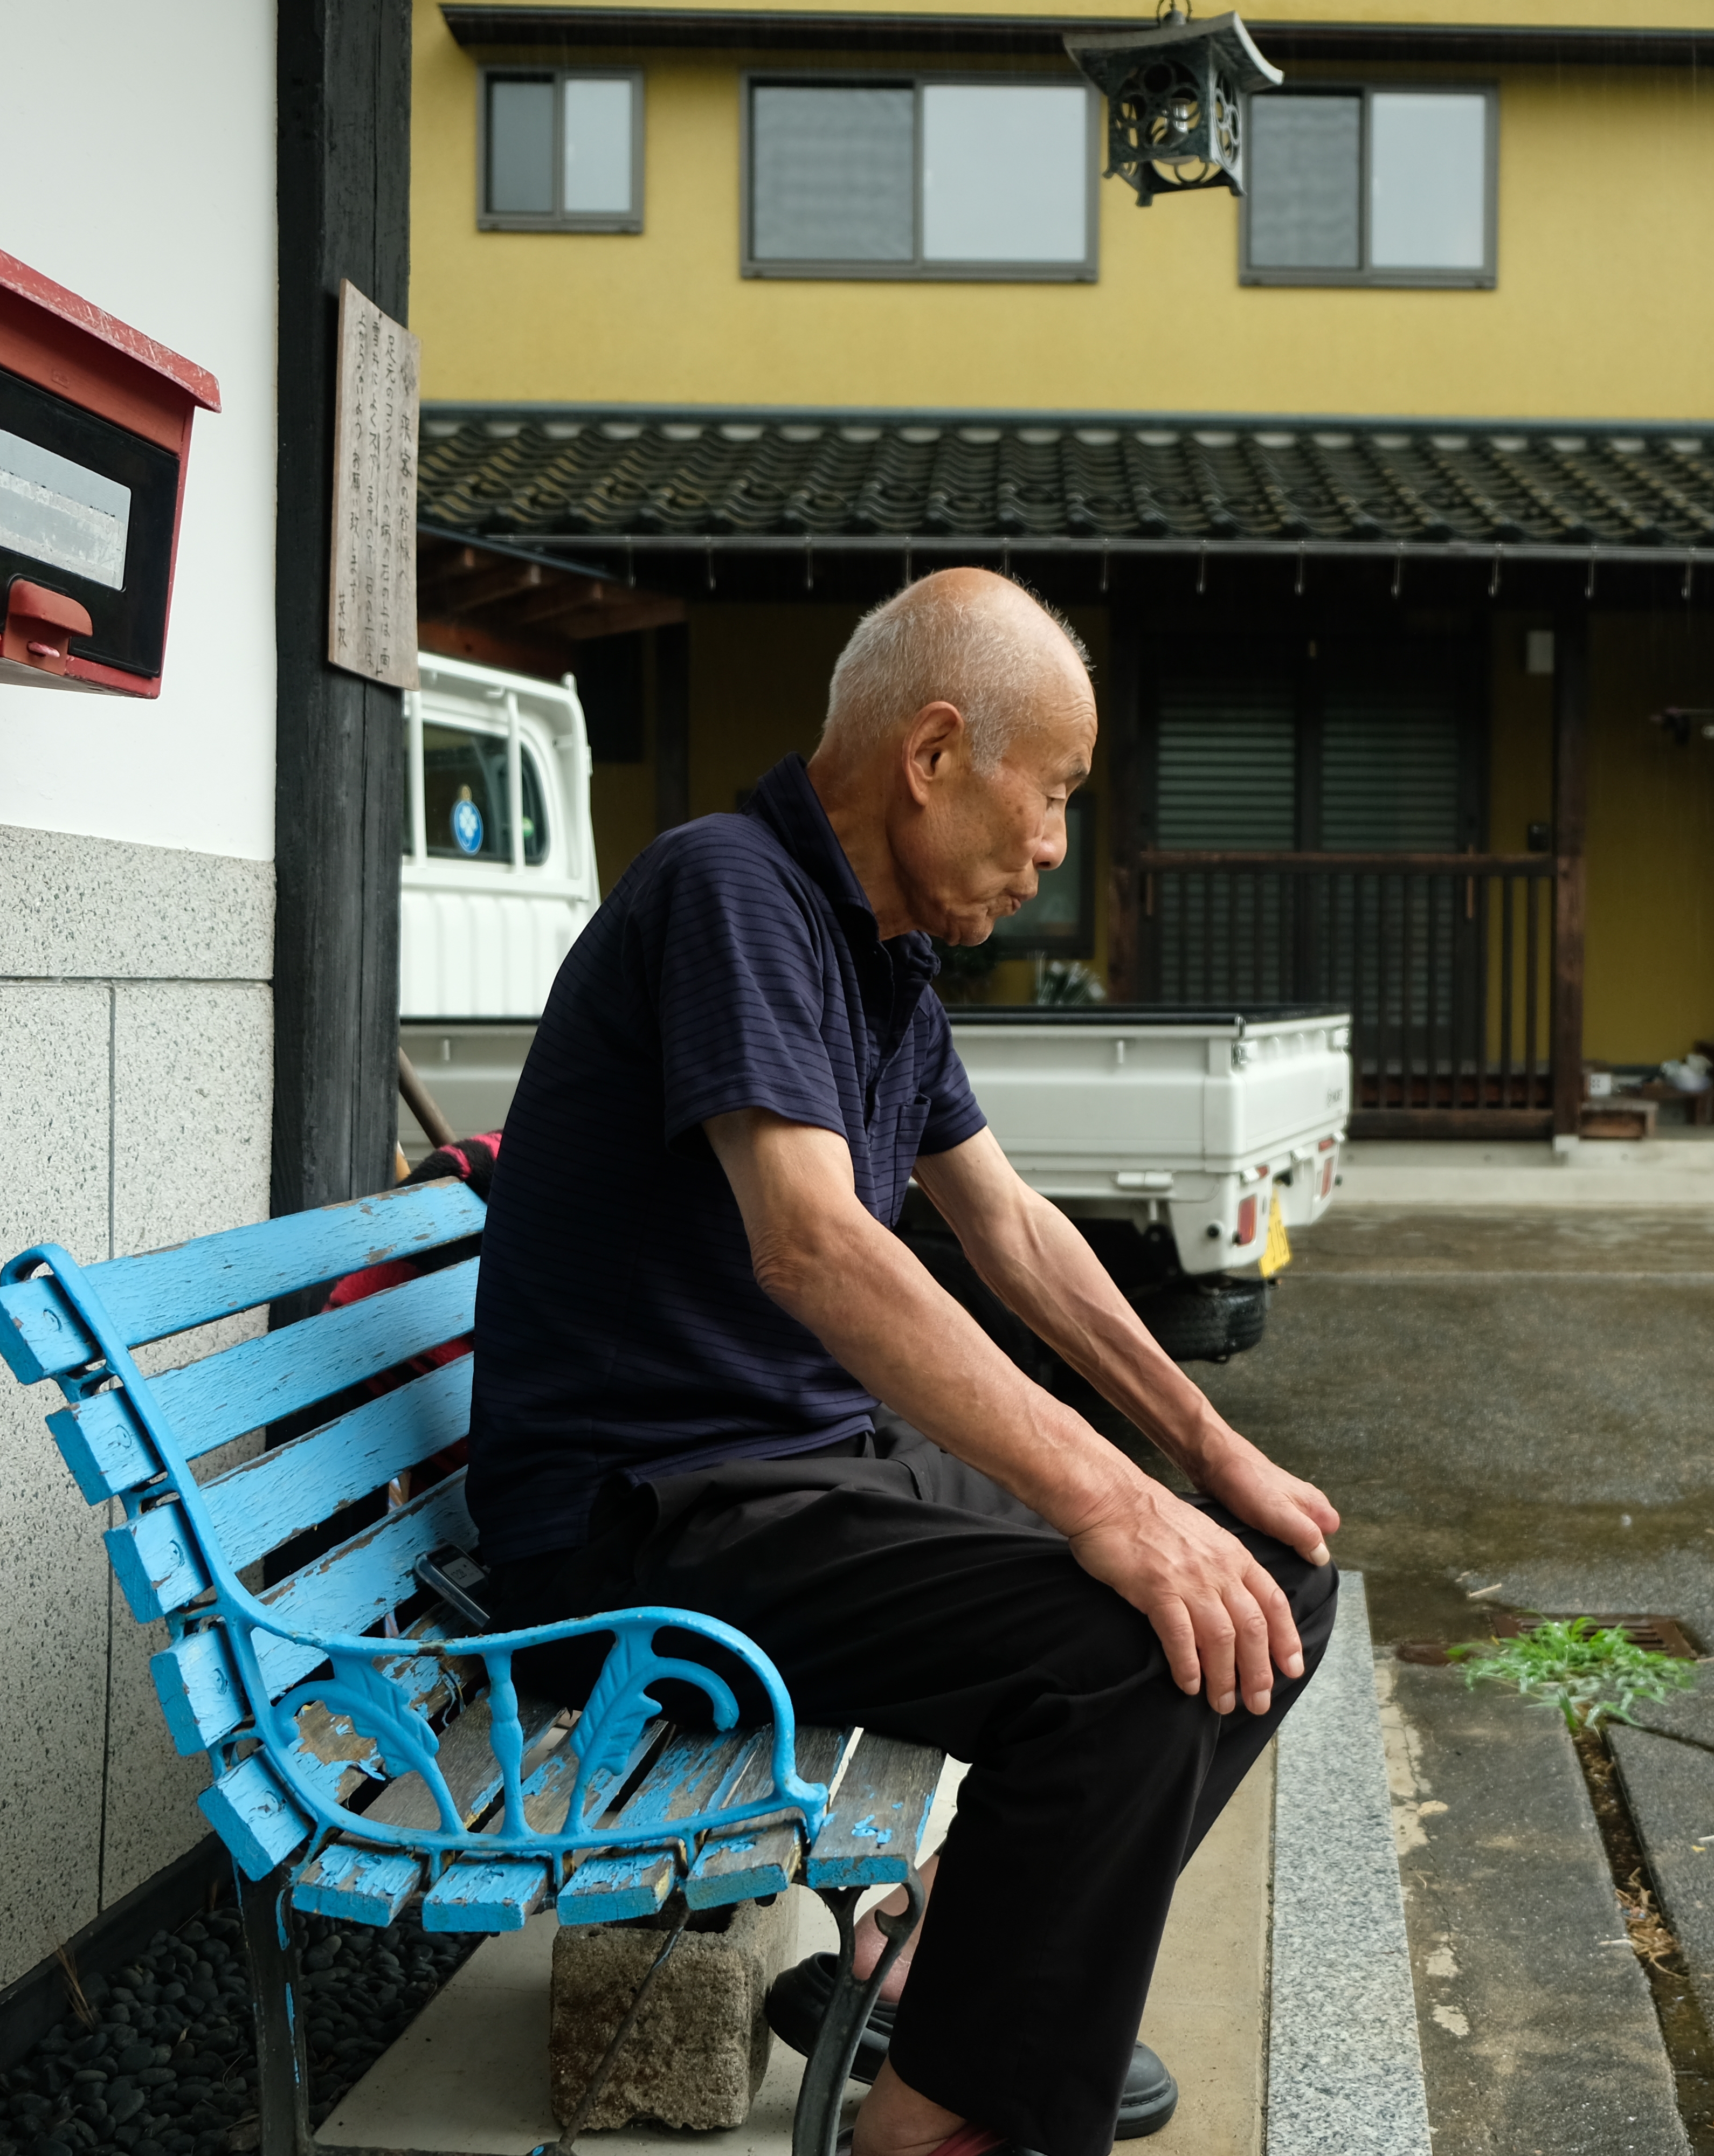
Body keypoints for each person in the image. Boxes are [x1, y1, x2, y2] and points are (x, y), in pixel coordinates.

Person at [467, 568, 1340, 2156]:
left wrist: (1206, 1461)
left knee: (1269, 1575)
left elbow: (1009, 1231)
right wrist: (1101, 1501)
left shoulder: (878, 959)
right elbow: (811, 1244)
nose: (1058, 843)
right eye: (1055, 793)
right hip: (644, 1524)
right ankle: (939, 2122)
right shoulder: (727, 891)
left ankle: (931, 1976)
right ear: (933, 755)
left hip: (791, 1474)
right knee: (1126, 1661)